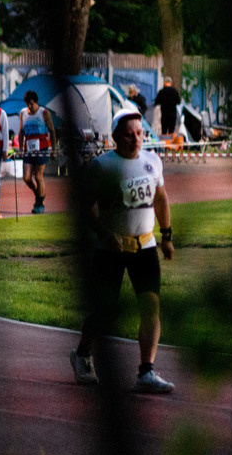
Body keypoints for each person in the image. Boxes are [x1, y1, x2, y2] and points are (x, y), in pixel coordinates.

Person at [69, 105, 175, 396]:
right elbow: (84, 209)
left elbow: (161, 199)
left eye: (140, 133)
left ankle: (146, 371)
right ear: (116, 136)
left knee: (151, 308)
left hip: (145, 246)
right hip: (110, 250)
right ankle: (82, 353)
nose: (136, 139)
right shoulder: (102, 166)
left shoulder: (152, 161)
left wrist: (166, 236)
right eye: (129, 135)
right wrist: (105, 234)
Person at [18, 87, 57, 214]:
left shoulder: (44, 113)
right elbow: (21, 131)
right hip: (28, 148)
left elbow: (52, 131)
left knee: (38, 176)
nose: (30, 106)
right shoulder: (23, 113)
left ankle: (39, 204)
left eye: (31, 104)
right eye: (27, 104)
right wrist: (20, 148)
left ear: (36, 102)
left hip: (42, 148)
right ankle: (39, 194)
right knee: (27, 177)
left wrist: (54, 149)